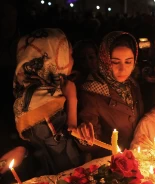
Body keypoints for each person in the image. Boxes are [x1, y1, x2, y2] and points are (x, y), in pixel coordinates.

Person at [13, 28, 83, 175]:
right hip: (61, 182)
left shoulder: (29, 94)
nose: (73, 60)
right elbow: (65, 155)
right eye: (69, 55)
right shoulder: (44, 106)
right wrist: (72, 98)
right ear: (53, 59)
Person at [73, 31, 144, 159]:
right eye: (115, 62)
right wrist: (86, 136)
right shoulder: (92, 92)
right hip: (112, 162)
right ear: (105, 60)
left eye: (128, 62)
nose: (123, 69)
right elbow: (92, 141)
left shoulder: (132, 84)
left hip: (138, 155)